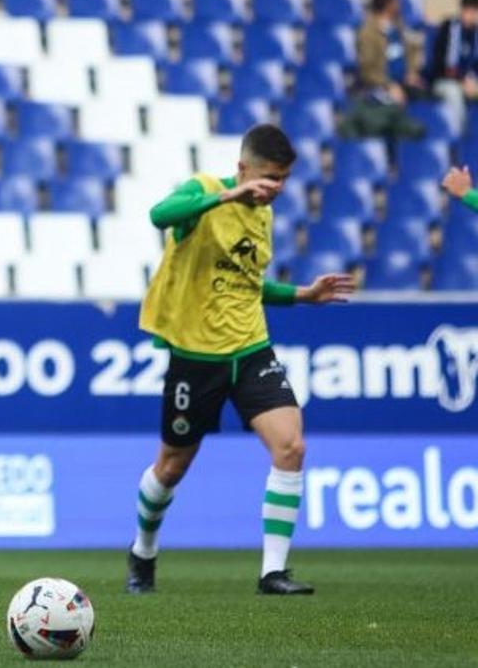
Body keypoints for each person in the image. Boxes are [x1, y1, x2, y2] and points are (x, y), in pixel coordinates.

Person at [126, 124, 357, 597]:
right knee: (171, 467)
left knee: (291, 447)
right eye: (269, 178)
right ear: (242, 169)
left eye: (284, 179)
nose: (275, 189)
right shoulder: (207, 192)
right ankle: (143, 550)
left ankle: (274, 571)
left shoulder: (264, 218)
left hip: (251, 349)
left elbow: (249, 286)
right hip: (195, 355)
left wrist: (303, 295)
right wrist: (229, 198)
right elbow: (159, 214)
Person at [340, 0, 425, 140]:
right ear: (387, 3)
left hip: (404, 83)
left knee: (431, 95)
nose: (399, 4)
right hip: (379, 87)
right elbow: (368, 71)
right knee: (391, 108)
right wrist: (389, 85)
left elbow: (409, 54)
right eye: (396, 0)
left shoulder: (399, 27)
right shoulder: (368, 32)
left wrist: (411, 73)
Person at [427, 0, 478, 132]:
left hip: (470, 81)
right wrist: (462, 80)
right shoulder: (448, 28)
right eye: (468, 11)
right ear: (462, 10)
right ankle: (459, 139)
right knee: (454, 94)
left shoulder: (475, 34)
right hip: (445, 80)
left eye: (474, 12)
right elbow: (441, 65)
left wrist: (472, 80)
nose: (471, 16)